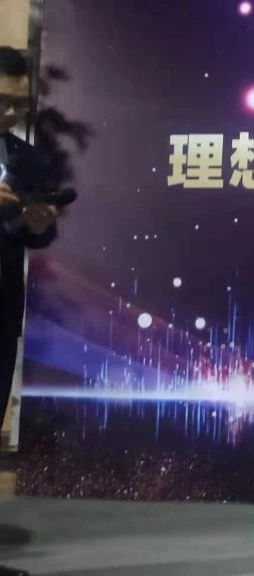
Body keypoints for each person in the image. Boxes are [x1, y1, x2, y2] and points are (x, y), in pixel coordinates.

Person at [0, 46, 58, 576]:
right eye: (1, 101)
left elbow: (34, 235)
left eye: (19, 104)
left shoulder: (28, 160)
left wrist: (37, 223)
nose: (9, 113)